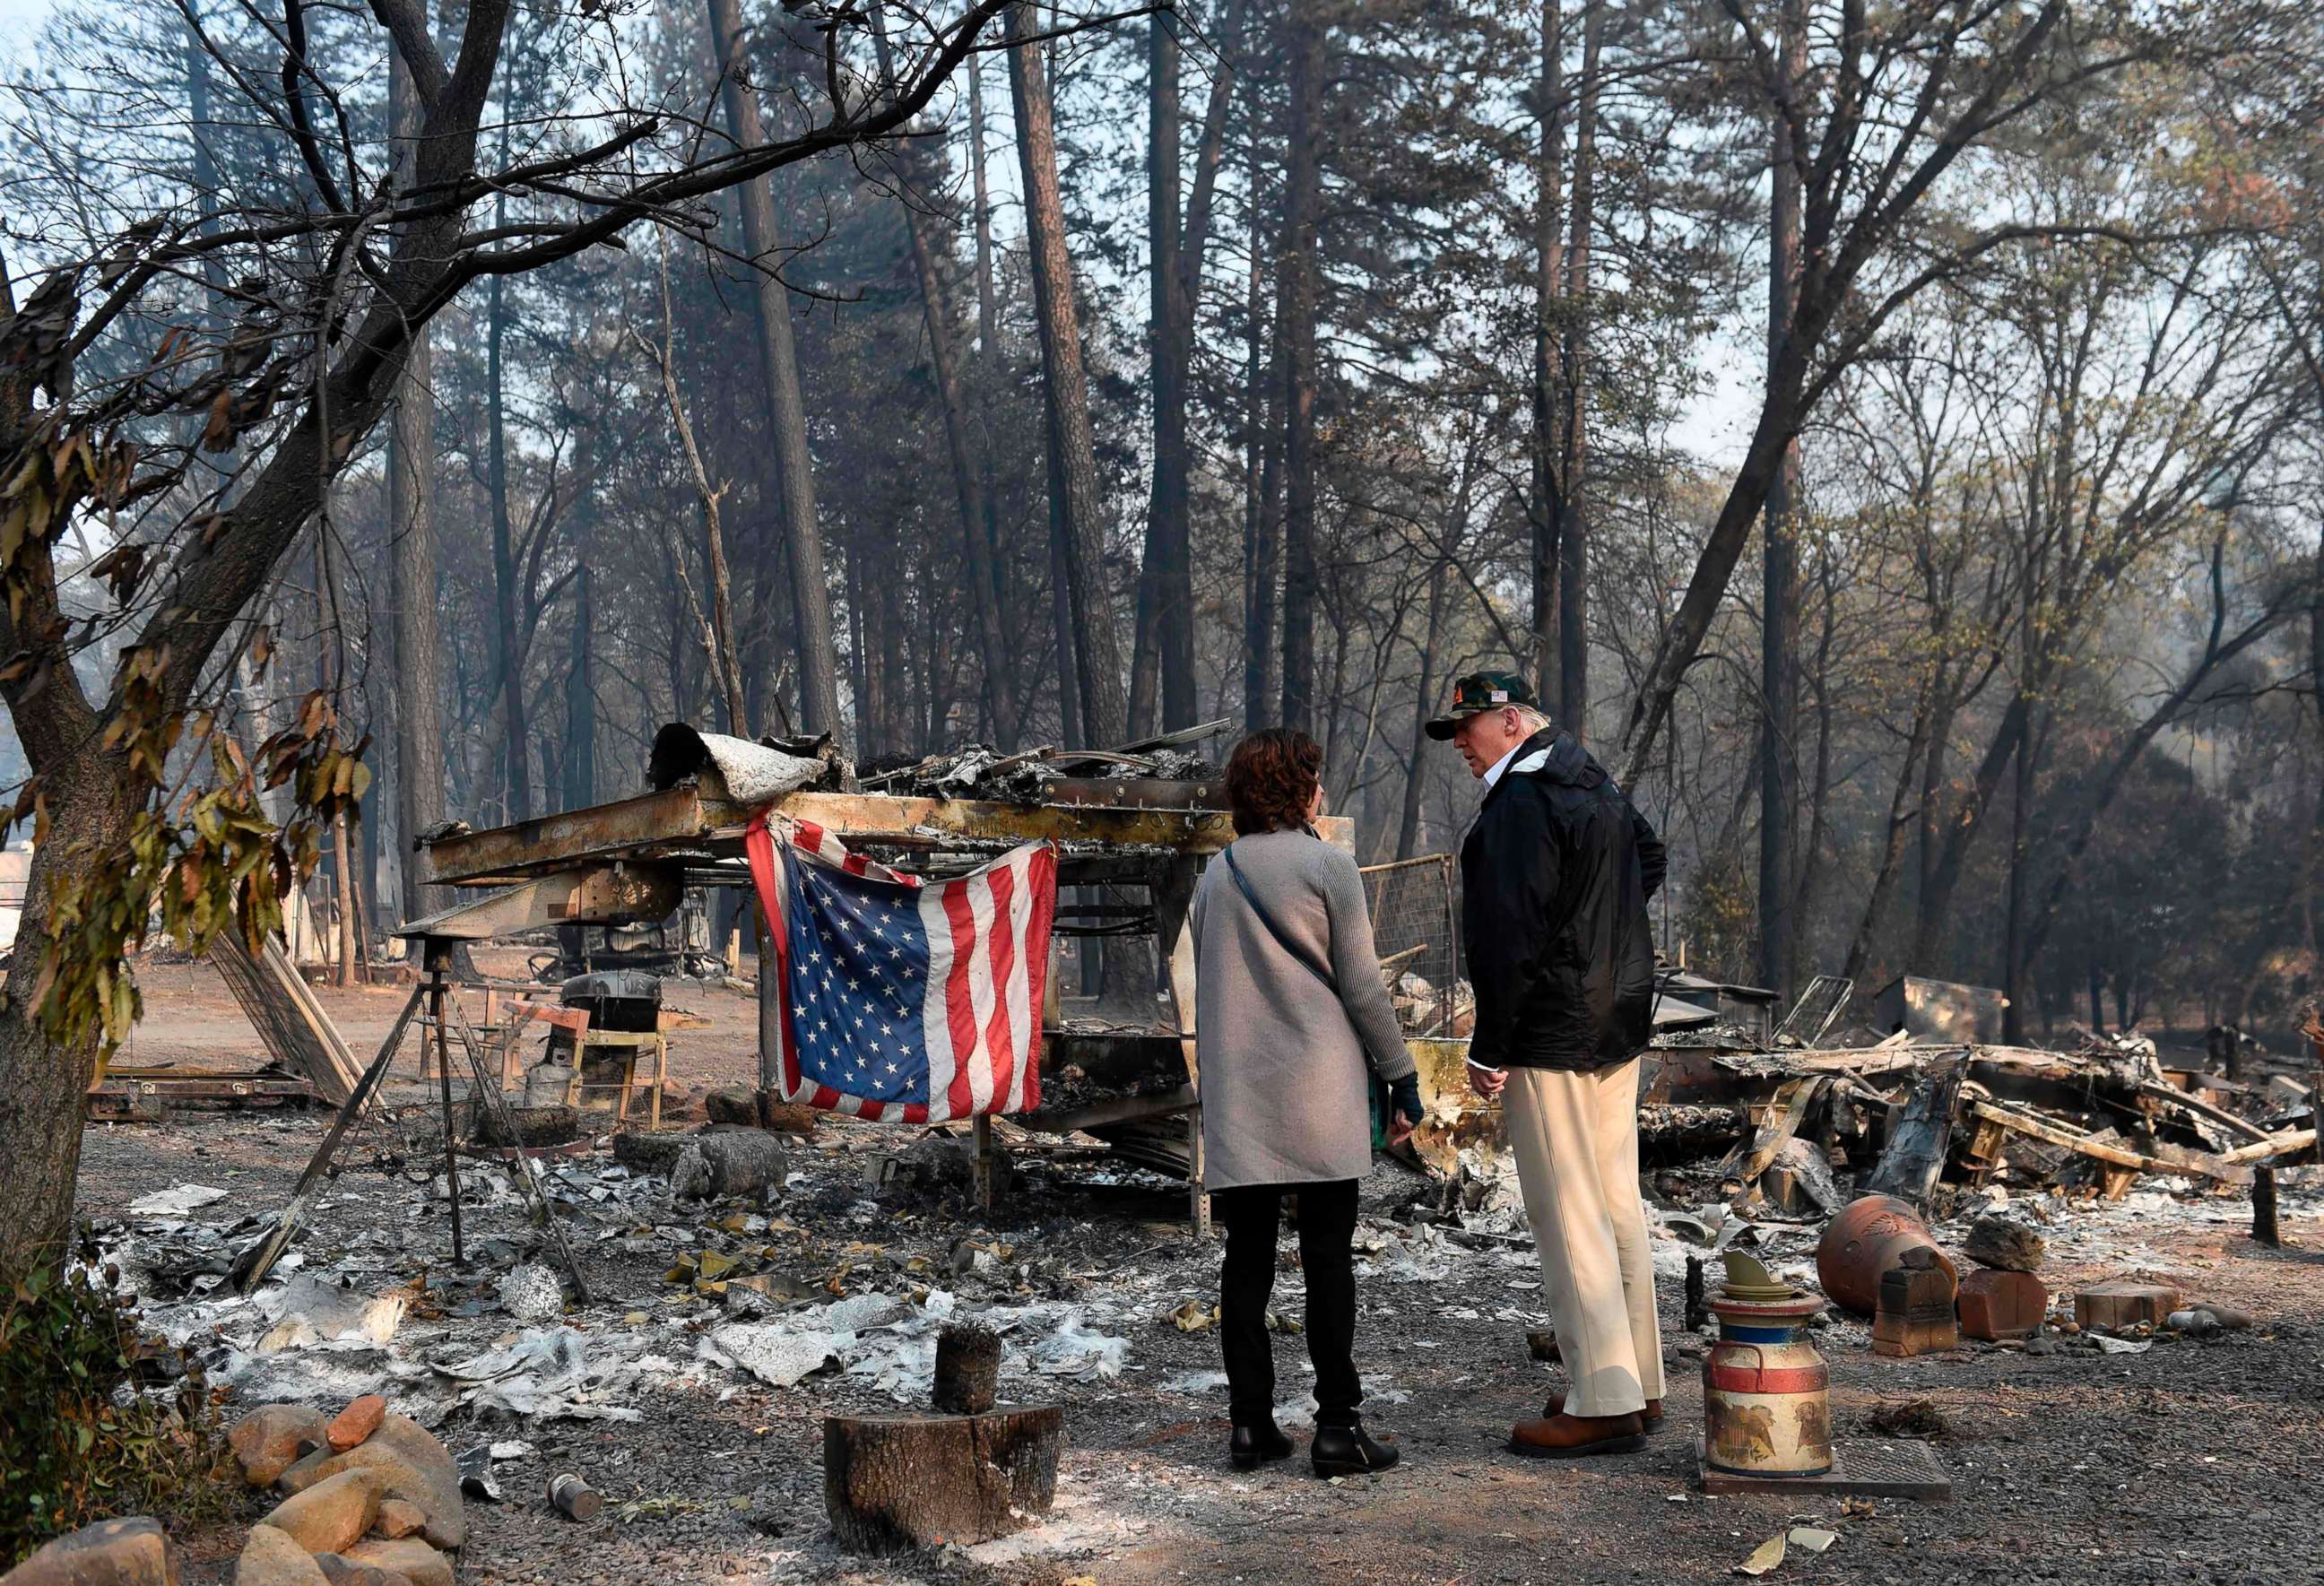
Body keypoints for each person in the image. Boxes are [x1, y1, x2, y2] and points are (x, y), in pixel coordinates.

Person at [1426, 672, 1669, 1460]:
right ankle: (1636, 1381)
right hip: (1617, 1013)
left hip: (1553, 1028)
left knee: (1568, 1213)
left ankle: (1601, 1397)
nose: (1460, 743)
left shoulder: (1520, 803)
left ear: (1509, 720)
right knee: (1614, 1202)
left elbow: (1508, 940)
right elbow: (1648, 857)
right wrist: (1603, 939)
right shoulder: (1587, 774)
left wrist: (1489, 1044)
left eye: (1467, 727)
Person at [1191, 727, 1426, 1477]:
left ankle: (1250, 1424)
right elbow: (1360, 985)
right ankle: (1336, 1427)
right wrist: (1400, 1071)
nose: (1323, 788)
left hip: (1240, 1098)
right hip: (1320, 1091)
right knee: (1327, 1260)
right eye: (1315, 777)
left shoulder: (1214, 877)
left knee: (1246, 1262)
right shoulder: (1330, 865)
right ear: (1300, 789)